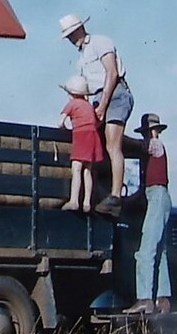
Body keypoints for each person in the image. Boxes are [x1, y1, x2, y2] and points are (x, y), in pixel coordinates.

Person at [59, 14, 134, 217]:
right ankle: (92, 195)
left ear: (81, 28)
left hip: (114, 93)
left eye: (72, 33)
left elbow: (112, 73)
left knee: (112, 145)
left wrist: (103, 105)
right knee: (93, 143)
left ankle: (115, 196)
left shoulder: (101, 42)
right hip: (98, 97)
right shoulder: (81, 58)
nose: (71, 38)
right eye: (68, 36)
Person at [123, 112, 172, 315]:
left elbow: (135, 145)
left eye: (147, 132)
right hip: (157, 195)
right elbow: (144, 189)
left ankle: (144, 298)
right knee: (159, 251)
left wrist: (114, 134)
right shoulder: (151, 149)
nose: (146, 136)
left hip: (158, 196)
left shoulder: (155, 145)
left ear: (154, 131)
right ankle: (163, 299)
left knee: (145, 252)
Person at [58, 75, 105, 212]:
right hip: (93, 136)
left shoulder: (72, 104)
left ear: (71, 94)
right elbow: (97, 122)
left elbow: (60, 122)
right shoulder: (89, 106)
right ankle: (86, 203)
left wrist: (66, 129)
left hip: (81, 136)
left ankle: (74, 201)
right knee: (87, 170)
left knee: (76, 168)